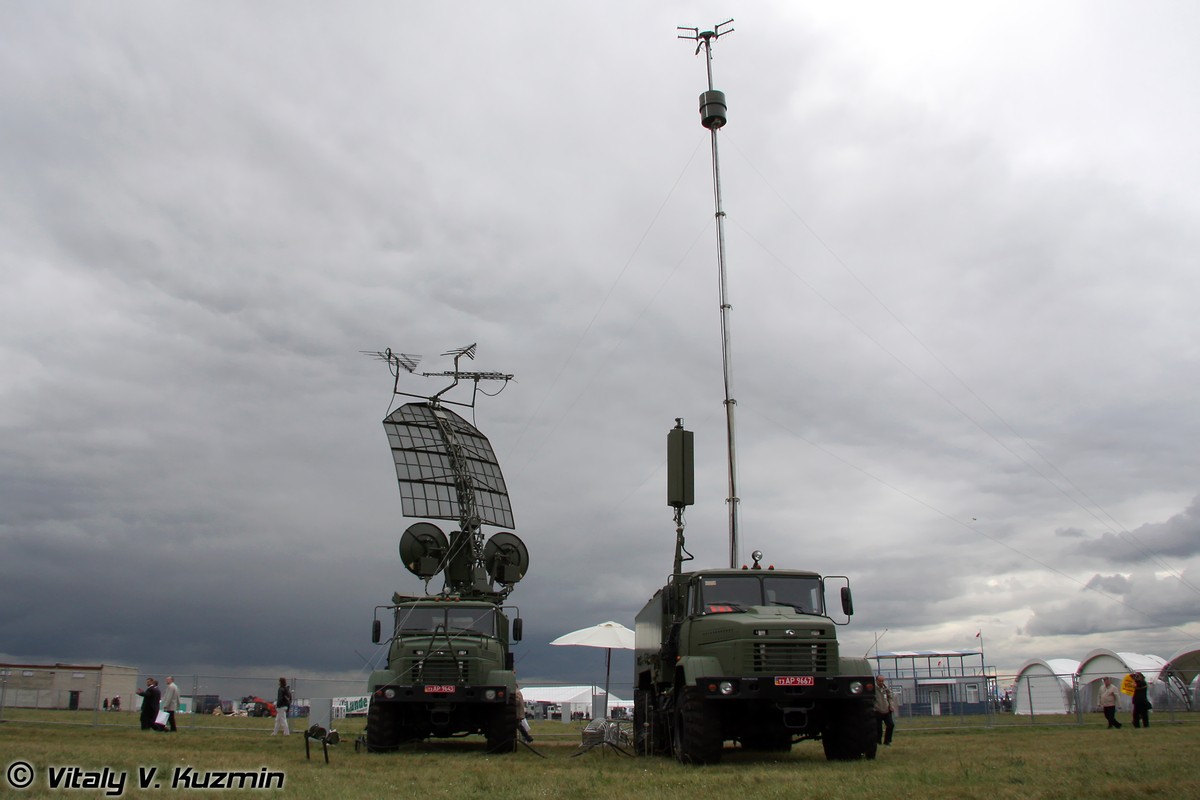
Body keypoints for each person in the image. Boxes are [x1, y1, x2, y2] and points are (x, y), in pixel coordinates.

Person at [874, 675, 897, 746]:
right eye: (880, 681)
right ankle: (878, 742)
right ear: (876, 680)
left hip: (886, 710)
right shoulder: (873, 688)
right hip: (877, 710)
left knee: (890, 725)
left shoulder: (886, 688)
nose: (881, 682)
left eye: (882, 681)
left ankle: (887, 741)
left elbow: (890, 697)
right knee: (878, 728)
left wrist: (891, 706)